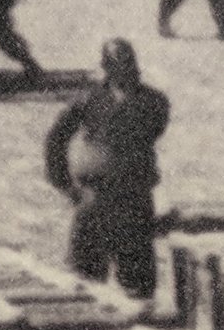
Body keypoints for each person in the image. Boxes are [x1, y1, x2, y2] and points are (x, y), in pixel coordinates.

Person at [44, 39, 172, 301]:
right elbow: (56, 138)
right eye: (119, 64)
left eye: (130, 63)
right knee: (85, 281)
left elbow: (151, 131)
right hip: (94, 200)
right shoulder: (90, 99)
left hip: (133, 201)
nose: (128, 70)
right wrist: (64, 183)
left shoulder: (153, 101)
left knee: (138, 285)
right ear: (106, 67)